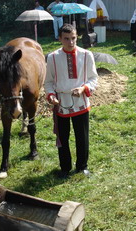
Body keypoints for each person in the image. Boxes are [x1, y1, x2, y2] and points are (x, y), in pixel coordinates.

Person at [44, 24, 98, 178]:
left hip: (81, 102)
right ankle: (65, 168)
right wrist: (51, 95)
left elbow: (94, 78)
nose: (71, 42)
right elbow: (48, 82)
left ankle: (82, 166)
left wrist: (84, 88)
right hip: (61, 104)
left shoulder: (87, 55)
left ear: (77, 37)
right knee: (63, 138)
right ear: (60, 39)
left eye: (73, 38)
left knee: (82, 136)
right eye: (66, 39)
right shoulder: (53, 57)